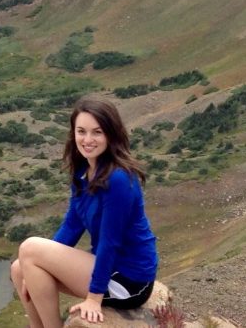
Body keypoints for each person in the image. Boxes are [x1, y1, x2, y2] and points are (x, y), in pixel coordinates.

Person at [9, 98, 158, 327]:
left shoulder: (119, 178)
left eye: (97, 132)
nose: (87, 140)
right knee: (20, 267)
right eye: (81, 131)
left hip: (130, 280)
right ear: (73, 133)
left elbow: (111, 242)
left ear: (110, 134)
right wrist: (33, 266)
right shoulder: (83, 171)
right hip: (109, 268)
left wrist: (93, 298)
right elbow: (71, 226)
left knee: (29, 248)